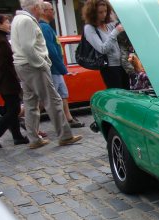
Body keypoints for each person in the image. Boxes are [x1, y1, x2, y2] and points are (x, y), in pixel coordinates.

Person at [11, 0, 82, 149]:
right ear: (35, 7)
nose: (41, 11)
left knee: (31, 103)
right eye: (39, 7)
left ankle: (34, 138)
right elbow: (28, 47)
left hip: (23, 65)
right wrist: (41, 63)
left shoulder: (18, 19)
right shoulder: (26, 21)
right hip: (32, 66)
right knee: (53, 100)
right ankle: (64, 135)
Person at [0, 12, 29, 148]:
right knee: (14, 110)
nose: (9, 24)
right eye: (6, 22)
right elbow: (2, 66)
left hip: (5, 82)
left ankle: (17, 136)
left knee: (12, 109)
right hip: (7, 83)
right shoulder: (2, 42)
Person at [40, 1, 84, 129]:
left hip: (56, 68)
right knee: (48, 98)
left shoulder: (47, 27)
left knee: (62, 94)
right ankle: (23, 118)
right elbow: (51, 50)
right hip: (53, 68)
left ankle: (68, 118)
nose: (53, 11)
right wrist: (62, 68)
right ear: (44, 11)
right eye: (50, 9)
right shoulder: (45, 28)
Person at [82, 0, 128, 89]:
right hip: (109, 67)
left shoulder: (108, 24)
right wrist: (115, 32)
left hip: (122, 65)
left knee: (128, 94)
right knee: (118, 96)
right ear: (93, 13)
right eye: (100, 12)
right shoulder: (89, 28)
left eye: (105, 11)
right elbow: (102, 49)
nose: (103, 14)